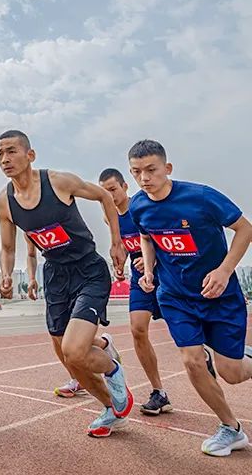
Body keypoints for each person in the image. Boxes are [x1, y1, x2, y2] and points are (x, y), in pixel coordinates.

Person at [0, 130, 131, 438]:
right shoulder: (4, 203)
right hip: (55, 275)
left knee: (74, 349)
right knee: (66, 355)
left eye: (11, 151)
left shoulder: (59, 182)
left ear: (30, 155)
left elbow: (104, 196)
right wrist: (5, 274)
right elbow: (8, 248)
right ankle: (110, 406)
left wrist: (116, 243)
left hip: (88, 270)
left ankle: (112, 368)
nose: (4, 159)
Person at [128, 139, 252, 456]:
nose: (144, 178)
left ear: (167, 169)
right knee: (192, 361)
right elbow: (146, 236)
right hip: (176, 296)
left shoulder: (201, 197)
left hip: (220, 295)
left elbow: (245, 229)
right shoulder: (139, 206)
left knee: (231, 373)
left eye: (151, 170)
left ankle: (243, 358)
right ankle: (231, 428)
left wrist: (225, 270)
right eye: (136, 172)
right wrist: (150, 270)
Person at [99, 168, 172, 415]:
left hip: (167, 276)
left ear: (124, 187)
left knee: (186, 333)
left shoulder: (142, 207)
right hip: (139, 279)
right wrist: (119, 266)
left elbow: (166, 240)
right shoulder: (110, 218)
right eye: (104, 192)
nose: (109, 195)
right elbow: (122, 247)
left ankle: (206, 352)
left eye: (113, 189)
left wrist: (153, 261)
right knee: (137, 330)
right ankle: (159, 392)